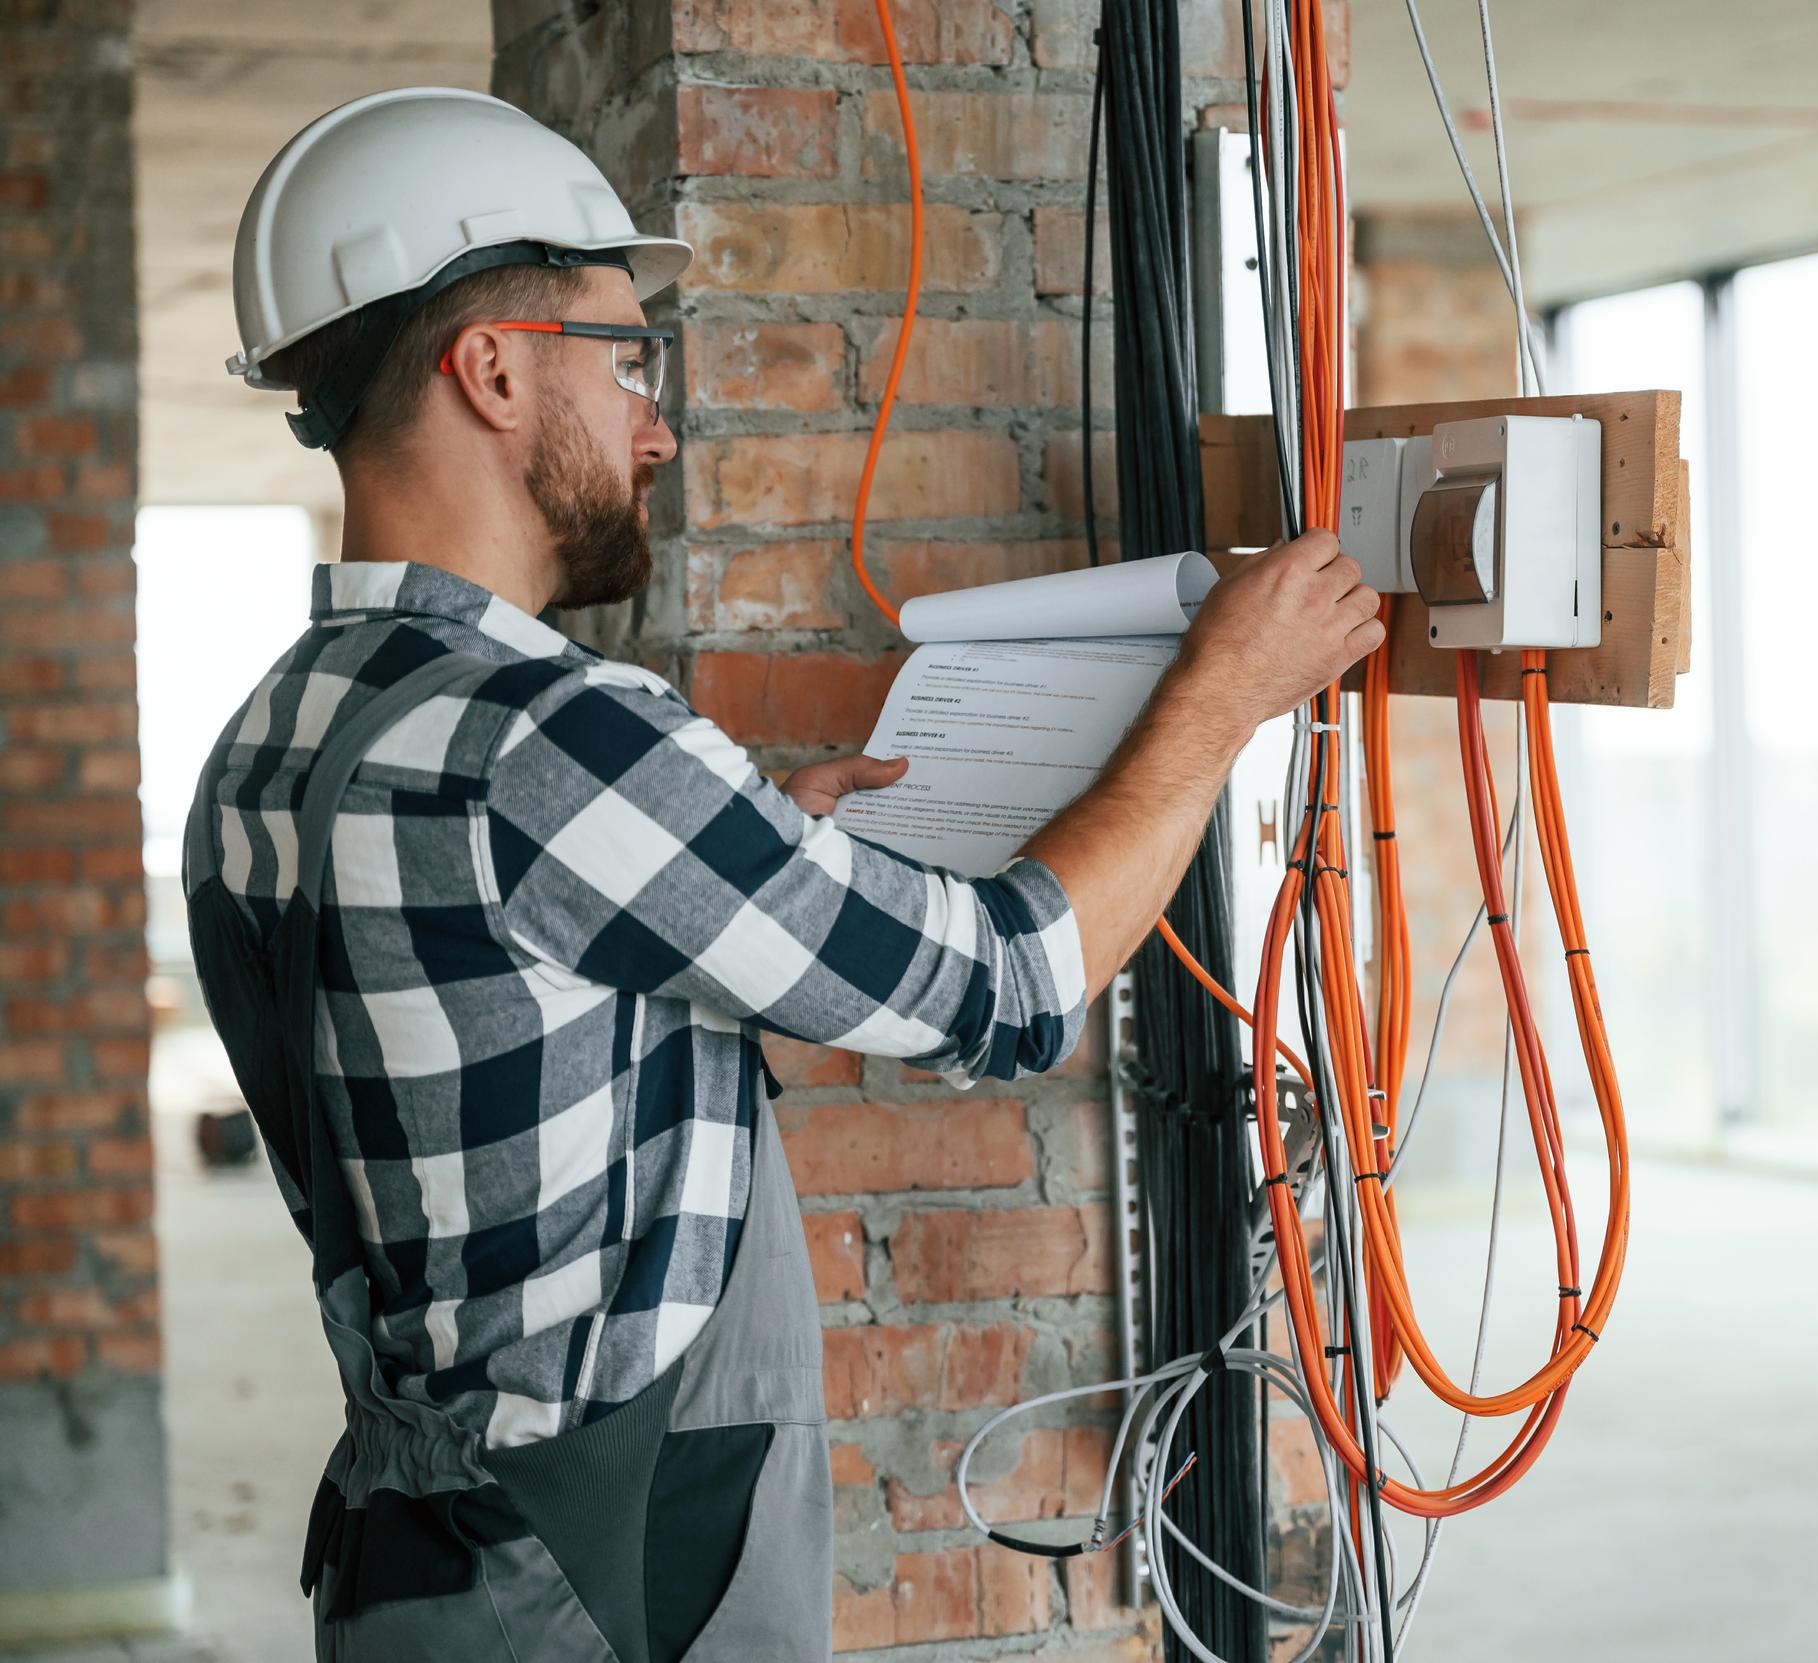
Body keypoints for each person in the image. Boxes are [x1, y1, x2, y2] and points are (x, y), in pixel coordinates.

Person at [185, 86, 1378, 1661]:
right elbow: (1014, 985)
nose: (658, 425)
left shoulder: (270, 736)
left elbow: (481, 1026)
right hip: (610, 1588)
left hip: (412, 1567)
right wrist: (1223, 698)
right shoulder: (549, 740)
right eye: (628, 361)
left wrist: (743, 860)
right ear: (493, 370)